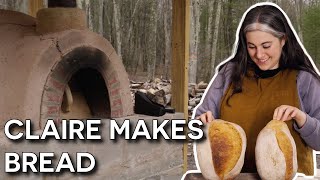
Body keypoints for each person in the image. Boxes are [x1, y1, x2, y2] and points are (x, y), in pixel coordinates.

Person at [195, 3, 320, 176]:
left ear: (283, 40)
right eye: (251, 46)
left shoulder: (305, 80)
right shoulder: (229, 74)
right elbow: (197, 125)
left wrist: (302, 118)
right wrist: (201, 123)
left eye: (266, 46)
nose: (259, 55)